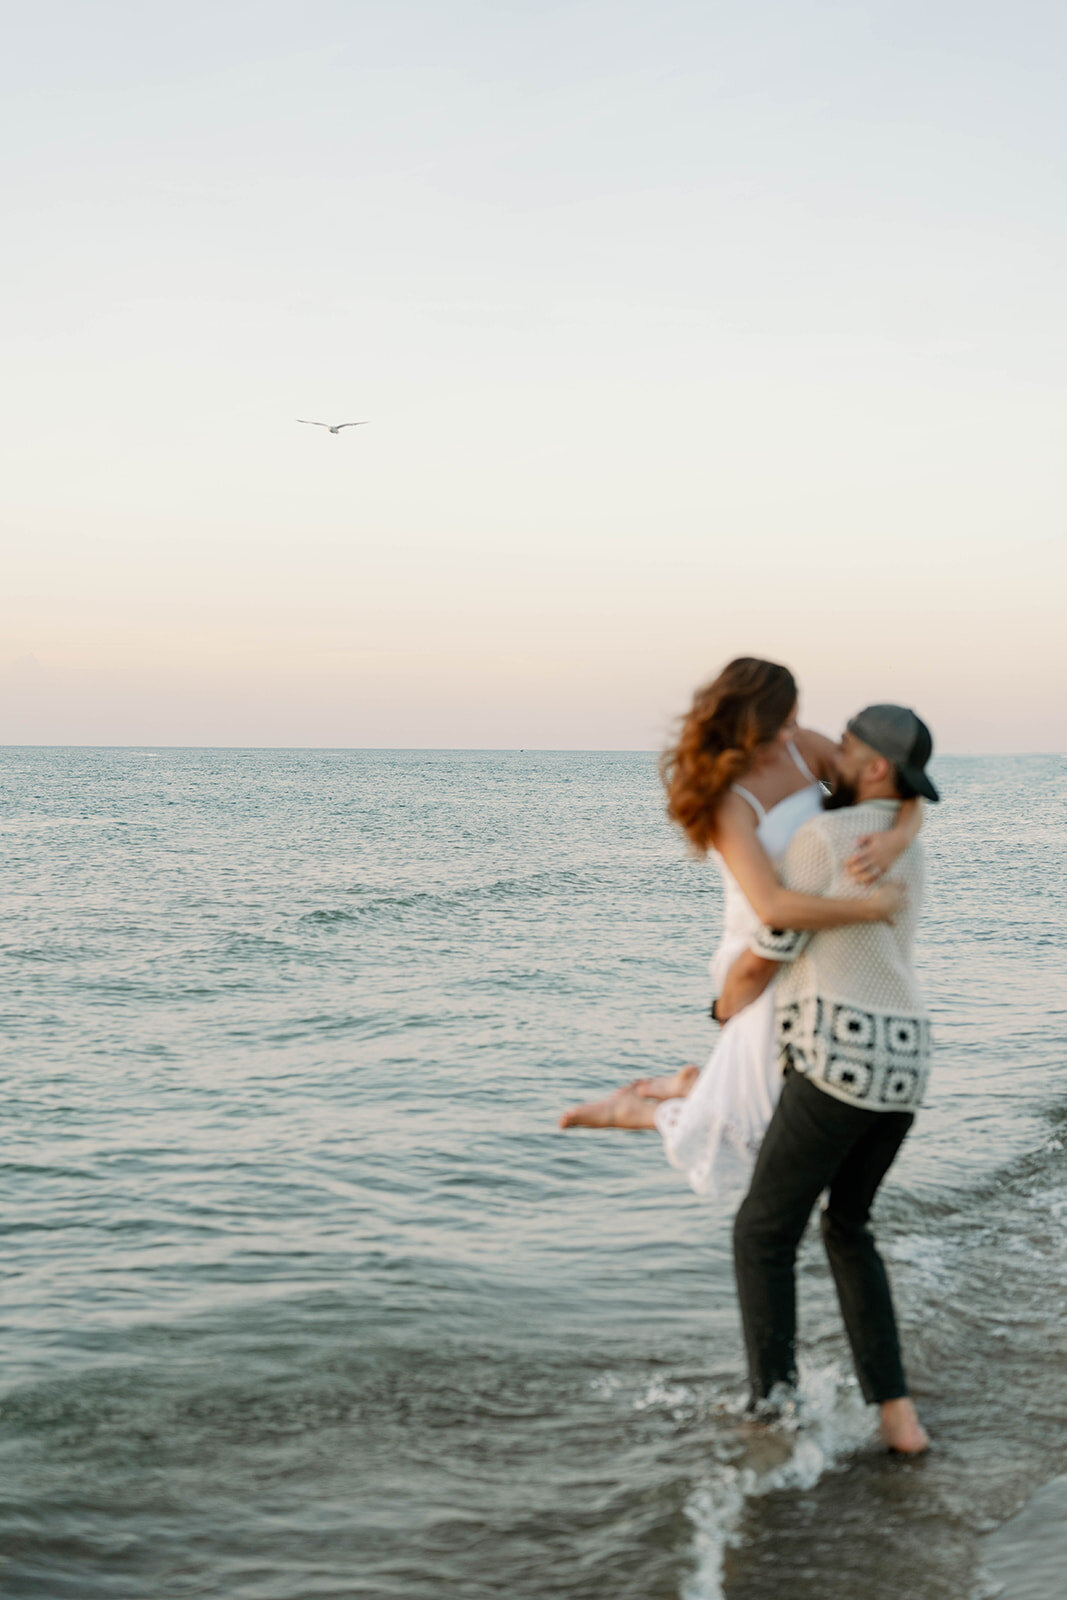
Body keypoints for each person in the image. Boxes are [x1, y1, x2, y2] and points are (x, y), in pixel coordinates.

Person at [558, 659, 921, 1202]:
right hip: (764, 946)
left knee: (787, 1106)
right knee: (762, 1125)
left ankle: (689, 1089)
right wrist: (871, 910)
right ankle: (643, 1113)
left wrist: (896, 839)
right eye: (778, 723)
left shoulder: (804, 748)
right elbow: (771, 905)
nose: (789, 733)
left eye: (795, 719)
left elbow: (896, 789)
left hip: (816, 940)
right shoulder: (729, 798)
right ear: (745, 721)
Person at [726, 705, 938, 1454]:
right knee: (847, 1228)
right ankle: (898, 1419)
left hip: (839, 1060)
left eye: (845, 749)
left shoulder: (824, 841)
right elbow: (901, 797)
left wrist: (722, 1005)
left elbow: (772, 945)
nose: (830, 758)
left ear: (874, 767)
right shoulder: (900, 844)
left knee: (761, 1231)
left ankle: (772, 1415)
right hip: (905, 1061)